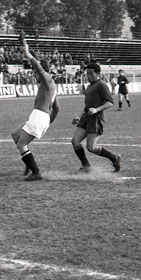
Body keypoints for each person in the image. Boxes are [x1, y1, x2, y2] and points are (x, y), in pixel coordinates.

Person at [11, 31, 60, 181]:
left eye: (35, 73)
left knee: (22, 144)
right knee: (15, 134)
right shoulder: (51, 86)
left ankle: (36, 172)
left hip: (39, 115)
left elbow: (36, 65)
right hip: (41, 116)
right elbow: (56, 108)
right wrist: (49, 123)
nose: (34, 74)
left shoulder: (47, 79)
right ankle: (28, 162)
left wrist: (26, 49)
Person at [71, 62, 121, 173]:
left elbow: (110, 102)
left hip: (96, 119)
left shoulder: (101, 85)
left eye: (90, 73)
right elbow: (87, 106)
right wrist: (79, 116)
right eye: (87, 73)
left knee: (91, 148)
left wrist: (96, 109)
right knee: (75, 141)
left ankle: (114, 158)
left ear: (97, 73)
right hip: (86, 117)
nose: (88, 75)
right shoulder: (89, 86)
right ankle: (86, 166)